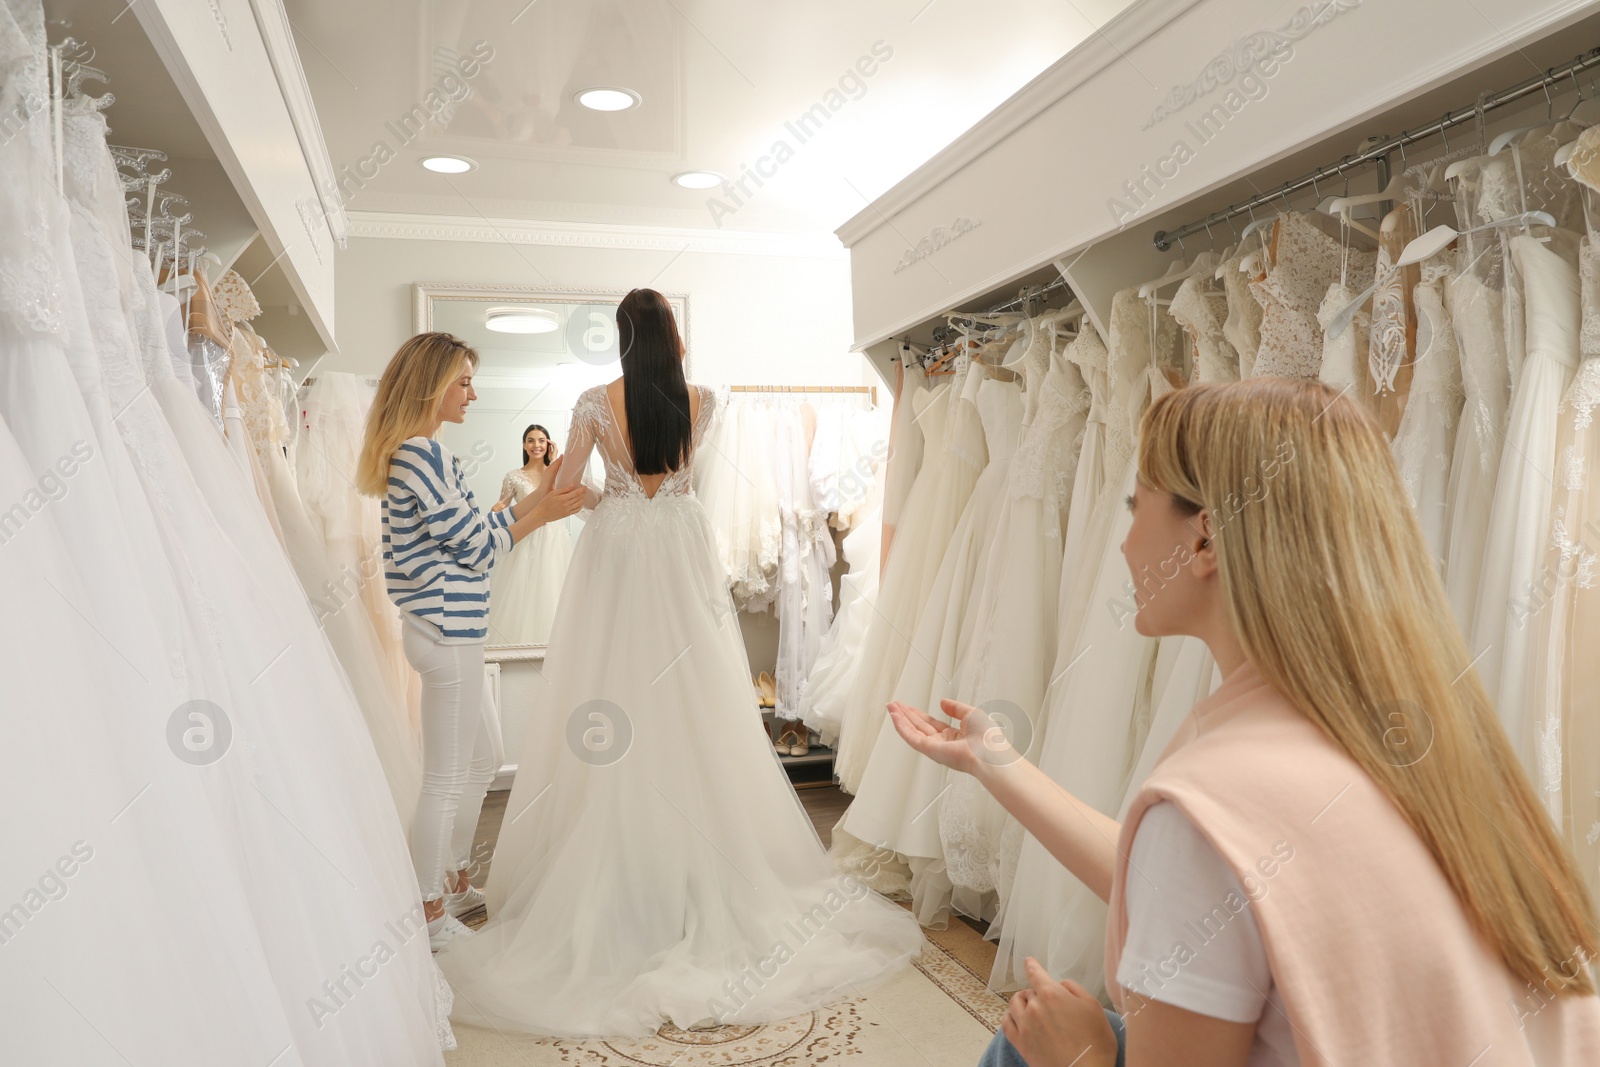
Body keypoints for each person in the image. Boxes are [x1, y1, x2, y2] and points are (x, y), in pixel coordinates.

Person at [888, 378, 1600, 1066]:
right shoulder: (1403, 734)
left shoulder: (1211, 803)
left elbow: (1200, 868)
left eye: (1138, 504)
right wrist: (995, 760)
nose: (1124, 540)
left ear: (1205, 543)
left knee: (1022, 1044)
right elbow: (1213, 887)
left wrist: (1079, 1058)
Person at [434, 288, 922, 1037]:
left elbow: (566, 488)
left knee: (609, 697)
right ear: (672, 337)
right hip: (682, 544)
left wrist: (607, 497)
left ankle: (620, 877)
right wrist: (653, 496)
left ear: (623, 339)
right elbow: (690, 480)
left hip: (622, 548)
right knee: (697, 701)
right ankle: (702, 862)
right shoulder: (706, 399)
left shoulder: (597, 399)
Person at [357, 332, 585, 951]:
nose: (473, 393)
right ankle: (428, 910)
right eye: (463, 382)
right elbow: (480, 547)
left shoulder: (431, 454)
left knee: (482, 759)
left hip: (453, 630)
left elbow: (479, 526)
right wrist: (545, 511)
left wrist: (542, 506)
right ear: (433, 385)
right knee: (446, 775)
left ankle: (452, 880)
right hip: (443, 628)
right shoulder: (417, 456)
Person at [487, 424, 575, 644]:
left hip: (554, 540)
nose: (537, 445)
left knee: (554, 590)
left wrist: (554, 464)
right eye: (531, 440)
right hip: (527, 537)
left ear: (549, 444)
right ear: (524, 445)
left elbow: (565, 493)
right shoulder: (513, 477)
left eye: (542, 440)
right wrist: (496, 509)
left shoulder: (557, 474)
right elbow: (502, 506)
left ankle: (556, 647)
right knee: (524, 594)